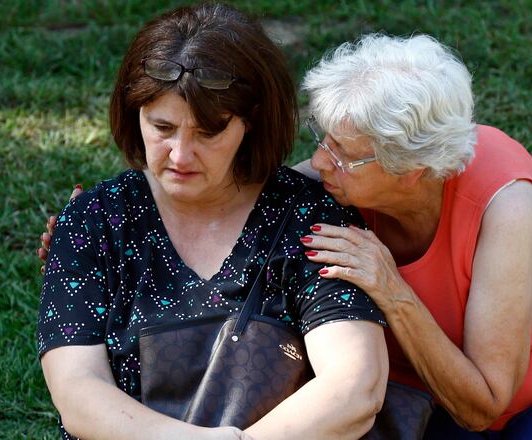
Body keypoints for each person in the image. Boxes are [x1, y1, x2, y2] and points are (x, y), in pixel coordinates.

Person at [36, 4, 388, 440]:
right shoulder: (94, 220)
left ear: (251, 123)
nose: (180, 154)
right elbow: (76, 390)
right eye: (162, 127)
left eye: (208, 132)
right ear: (134, 114)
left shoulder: (309, 216)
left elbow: (354, 388)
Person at [295, 34, 532, 438]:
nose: (319, 160)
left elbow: (484, 404)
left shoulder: (506, 203)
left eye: (341, 154)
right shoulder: (333, 182)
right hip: (424, 395)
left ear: (410, 171)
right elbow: (253, 197)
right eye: (323, 139)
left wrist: (392, 289)